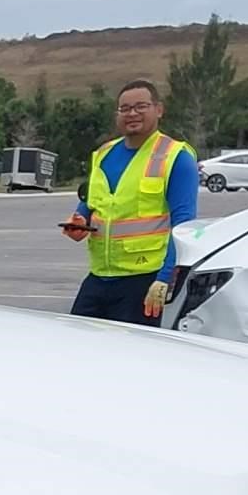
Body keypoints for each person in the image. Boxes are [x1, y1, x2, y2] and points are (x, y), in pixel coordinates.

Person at [61, 80, 198, 324]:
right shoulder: (104, 153)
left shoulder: (176, 156)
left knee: (133, 358)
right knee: (77, 349)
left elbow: (183, 225)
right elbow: (91, 203)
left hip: (144, 280)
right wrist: (79, 222)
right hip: (99, 276)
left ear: (159, 109)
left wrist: (165, 278)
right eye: (124, 109)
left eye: (140, 106)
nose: (132, 114)